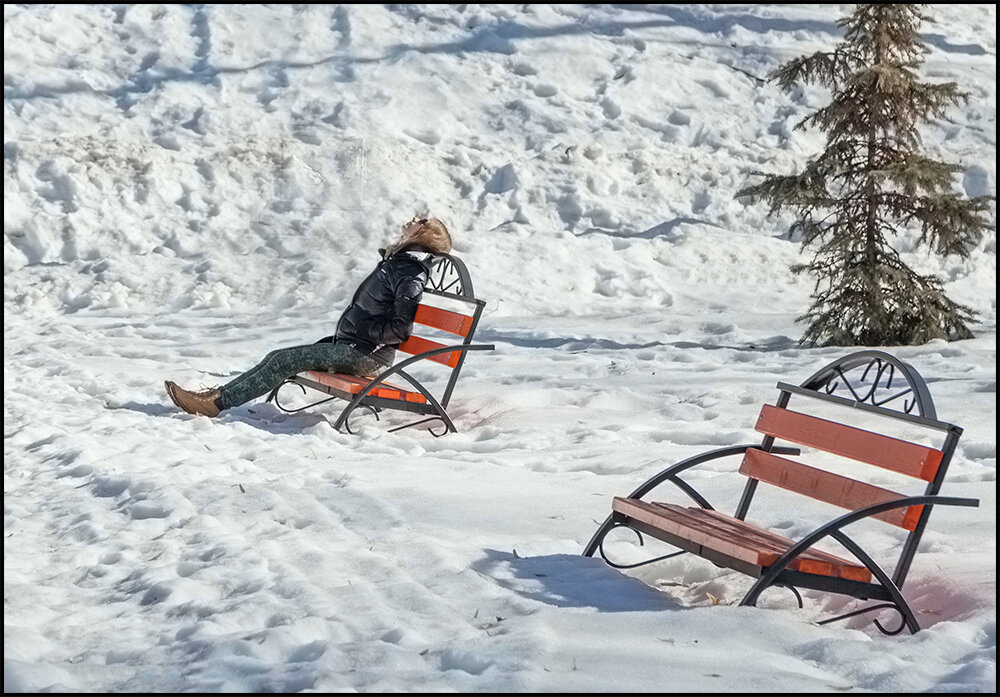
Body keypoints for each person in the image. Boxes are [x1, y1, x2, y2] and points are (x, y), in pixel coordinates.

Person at [164, 216, 453, 417]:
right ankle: (214, 397)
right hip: (354, 346)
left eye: (421, 220)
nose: (413, 218)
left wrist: (363, 329)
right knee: (278, 356)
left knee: (284, 361)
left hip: (366, 356)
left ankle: (215, 405)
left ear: (423, 235)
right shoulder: (399, 264)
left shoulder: (409, 272)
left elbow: (400, 329)